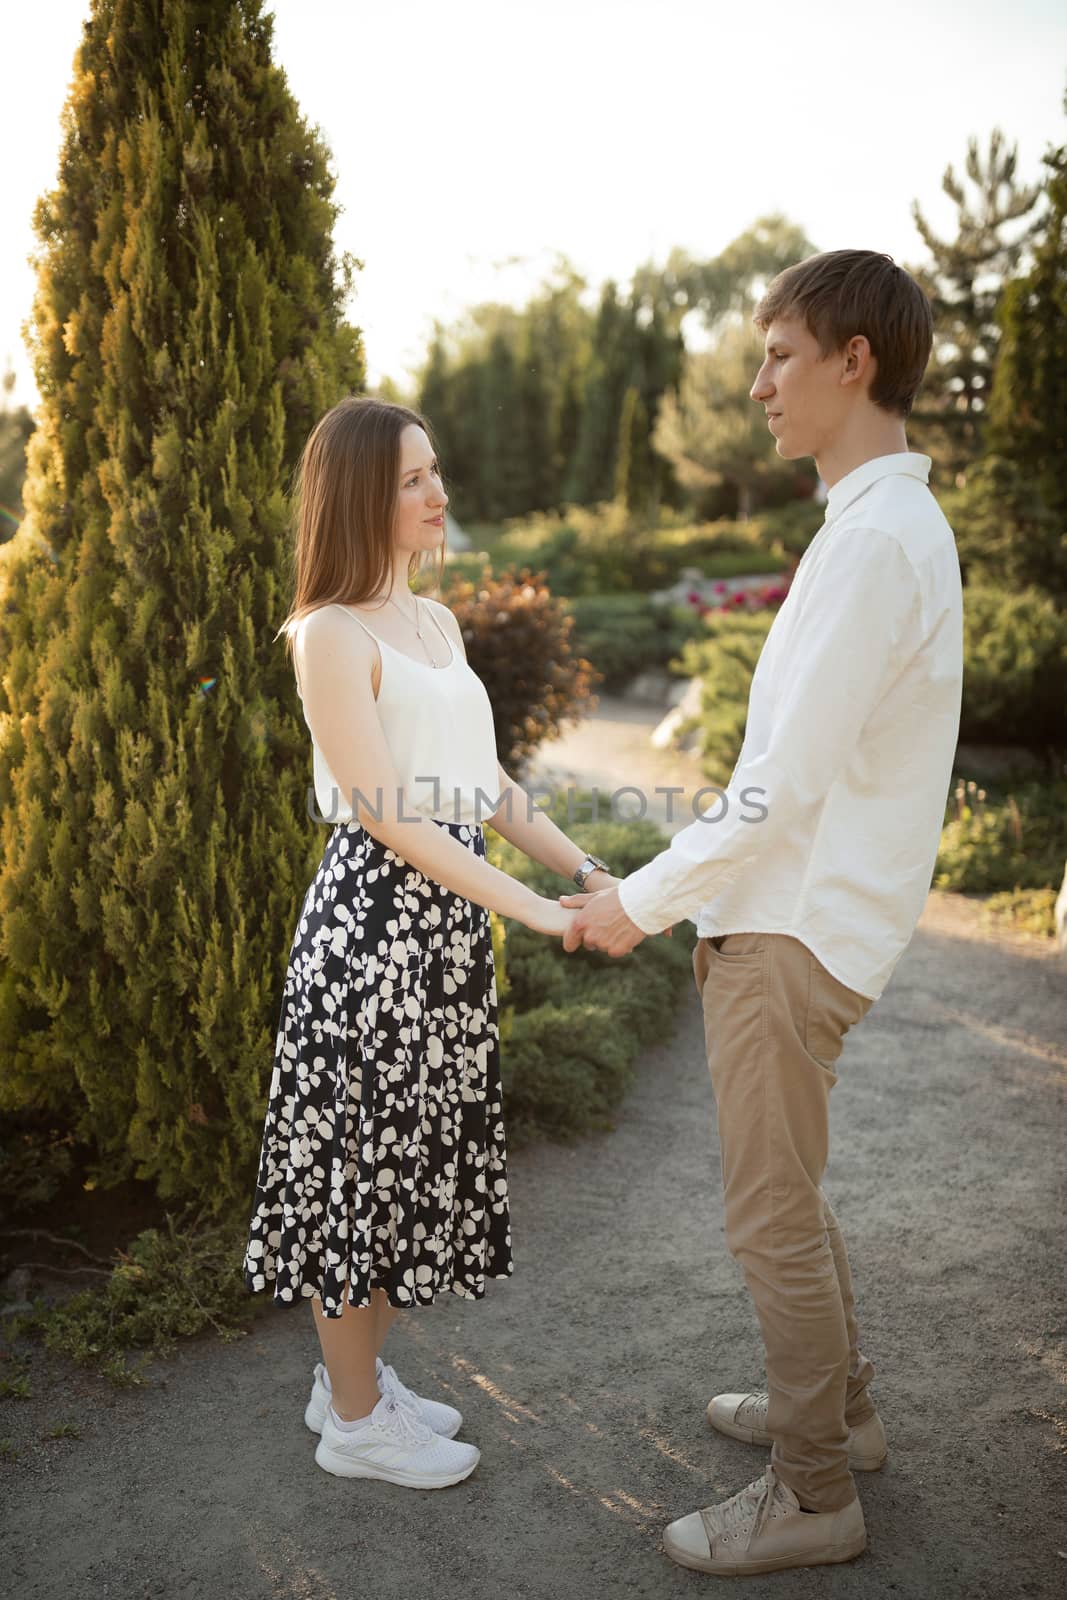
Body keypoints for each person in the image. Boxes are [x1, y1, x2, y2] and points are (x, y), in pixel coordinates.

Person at [561, 250, 963, 1575]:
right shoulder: (867, 527)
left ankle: (810, 1498)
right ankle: (836, 1420)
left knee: (767, 1217)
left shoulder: (876, 545)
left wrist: (637, 900)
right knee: (788, 1197)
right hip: (790, 918)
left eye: (779, 355)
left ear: (854, 361)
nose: (756, 384)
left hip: (791, 929)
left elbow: (778, 789)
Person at [242, 396, 621, 1490]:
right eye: (412, 478)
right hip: (370, 935)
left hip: (444, 937)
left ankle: (347, 1381)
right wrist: (540, 914)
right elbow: (390, 814)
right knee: (361, 1171)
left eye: (435, 471)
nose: (436, 493)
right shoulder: (328, 633)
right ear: (361, 491)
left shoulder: (436, 624)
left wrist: (584, 872)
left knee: (414, 1168)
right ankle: (354, 1423)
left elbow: (485, 786)